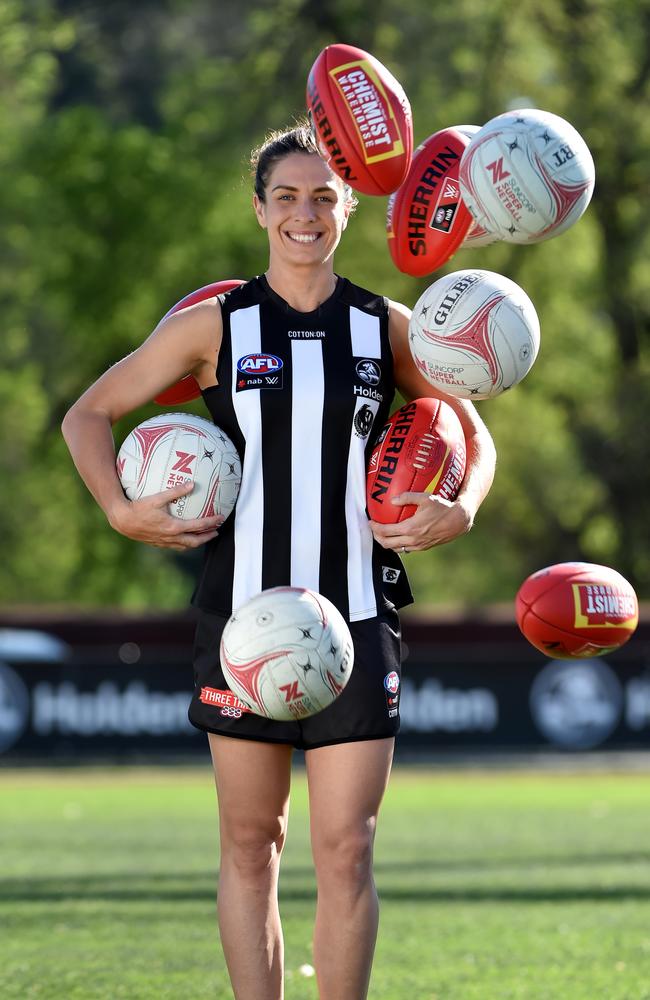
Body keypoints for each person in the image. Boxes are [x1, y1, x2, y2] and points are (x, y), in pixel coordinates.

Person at [61, 120, 496, 1000]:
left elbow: (471, 428)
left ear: (348, 209)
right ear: (260, 210)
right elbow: (87, 414)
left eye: (324, 198)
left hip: (360, 619)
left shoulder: (387, 327)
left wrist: (464, 504)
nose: (306, 214)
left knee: (348, 847)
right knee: (250, 845)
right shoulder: (215, 325)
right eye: (287, 198)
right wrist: (118, 509)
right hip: (241, 621)